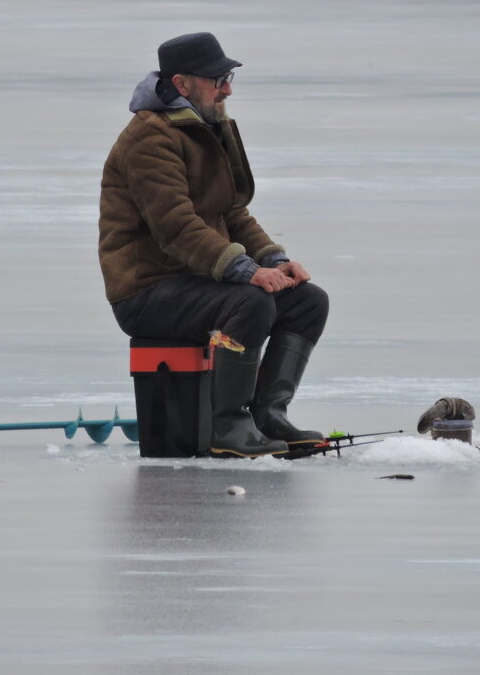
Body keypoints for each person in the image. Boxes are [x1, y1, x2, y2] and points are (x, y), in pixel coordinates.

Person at [99, 32, 329, 457]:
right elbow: (177, 227)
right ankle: (229, 427)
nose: (227, 88)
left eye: (228, 77)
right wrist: (247, 271)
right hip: (146, 291)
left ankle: (267, 416)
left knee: (307, 301)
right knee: (251, 302)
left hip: (197, 280)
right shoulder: (149, 139)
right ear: (182, 84)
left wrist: (275, 260)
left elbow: (232, 212)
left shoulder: (204, 125)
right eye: (218, 79)